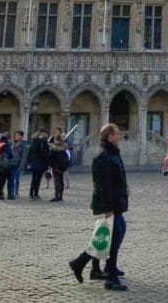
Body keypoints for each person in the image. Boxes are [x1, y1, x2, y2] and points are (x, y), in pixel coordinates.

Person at [69, 123, 129, 291]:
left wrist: (125, 187)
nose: (120, 136)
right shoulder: (103, 154)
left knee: (108, 234)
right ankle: (110, 277)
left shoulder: (111, 151)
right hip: (109, 203)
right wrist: (107, 207)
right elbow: (101, 184)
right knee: (112, 238)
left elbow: (117, 175)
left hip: (115, 201)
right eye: (117, 133)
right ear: (110, 136)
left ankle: (92, 268)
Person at [48, 129, 71, 201]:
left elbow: (50, 158)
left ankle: (56, 196)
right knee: (61, 181)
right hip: (62, 167)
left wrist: (50, 165)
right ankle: (60, 196)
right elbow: (68, 157)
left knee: (56, 181)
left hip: (55, 166)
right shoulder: (64, 148)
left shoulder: (53, 148)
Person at [27, 129, 49, 199]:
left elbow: (46, 151)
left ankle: (36, 193)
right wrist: (29, 161)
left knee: (38, 178)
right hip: (36, 161)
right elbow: (34, 150)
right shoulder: (35, 141)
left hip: (42, 162)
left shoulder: (44, 141)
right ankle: (31, 193)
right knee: (35, 178)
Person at [0, 133, 14, 200]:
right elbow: (11, 155)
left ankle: (0, 194)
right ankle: (10, 194)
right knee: (9, 180)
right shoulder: (6, 145)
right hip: (7, 166)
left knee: (0, 180)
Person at [10, 130, 29, 200]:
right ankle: (11, 192)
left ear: (21, 136)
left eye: (17, 135)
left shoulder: (24, 145)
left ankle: (16, 192)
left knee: (16, 179)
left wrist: (21, 167)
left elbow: (24, 157)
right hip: (12, 163)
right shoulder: (13, 144)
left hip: (18, 164)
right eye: (15, 135)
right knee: (11, 179)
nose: (16, 137)